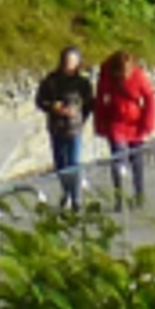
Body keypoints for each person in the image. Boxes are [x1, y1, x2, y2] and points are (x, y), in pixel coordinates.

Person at [91, 50, 155, 203]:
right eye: (121, 73)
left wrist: (148, 123)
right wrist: (100, 123)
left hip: (136, 123)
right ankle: (119, 196)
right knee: (118, 159)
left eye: (127, 72)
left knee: (137, 160)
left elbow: (149, 98)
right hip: (116, 122)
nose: (125, 76)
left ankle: (139, 194)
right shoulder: (106, 74)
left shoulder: (138, 75)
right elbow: (101, 98)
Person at [34, 44, 93, 206]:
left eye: (73, 62)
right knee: (60, 164)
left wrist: (79, 116)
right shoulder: (51, 81)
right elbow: (40, 101)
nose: (70, 65)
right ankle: (66, 192)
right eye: (67, 61)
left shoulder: (82, 83)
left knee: (73, 162)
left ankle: (75, 198)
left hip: (74, 129)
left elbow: (89, 104)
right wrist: (53, 107)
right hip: (56, 128)